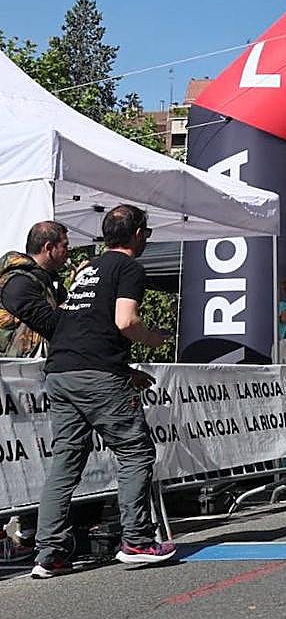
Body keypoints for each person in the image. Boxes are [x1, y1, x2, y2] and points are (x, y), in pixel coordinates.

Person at [34, 205, 175, 577]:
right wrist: (154, 338)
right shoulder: (129, 267)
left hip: (61, 371)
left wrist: (124, 371)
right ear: (139, 233)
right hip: (94, 374)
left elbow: (85, 326)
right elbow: (124, 321)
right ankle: (138, 540)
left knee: (65, 462)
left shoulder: (88, 269)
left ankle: (50, 553)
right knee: (135, 451)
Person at [0, 221, 70, 563]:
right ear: (48, 247)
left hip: (36, 385)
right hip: (15, 385)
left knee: (35, 455)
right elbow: (49, 322)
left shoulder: (49, 282)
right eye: (64, 245)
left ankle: (29, 531)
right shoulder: (19, 282)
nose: (68, 252)